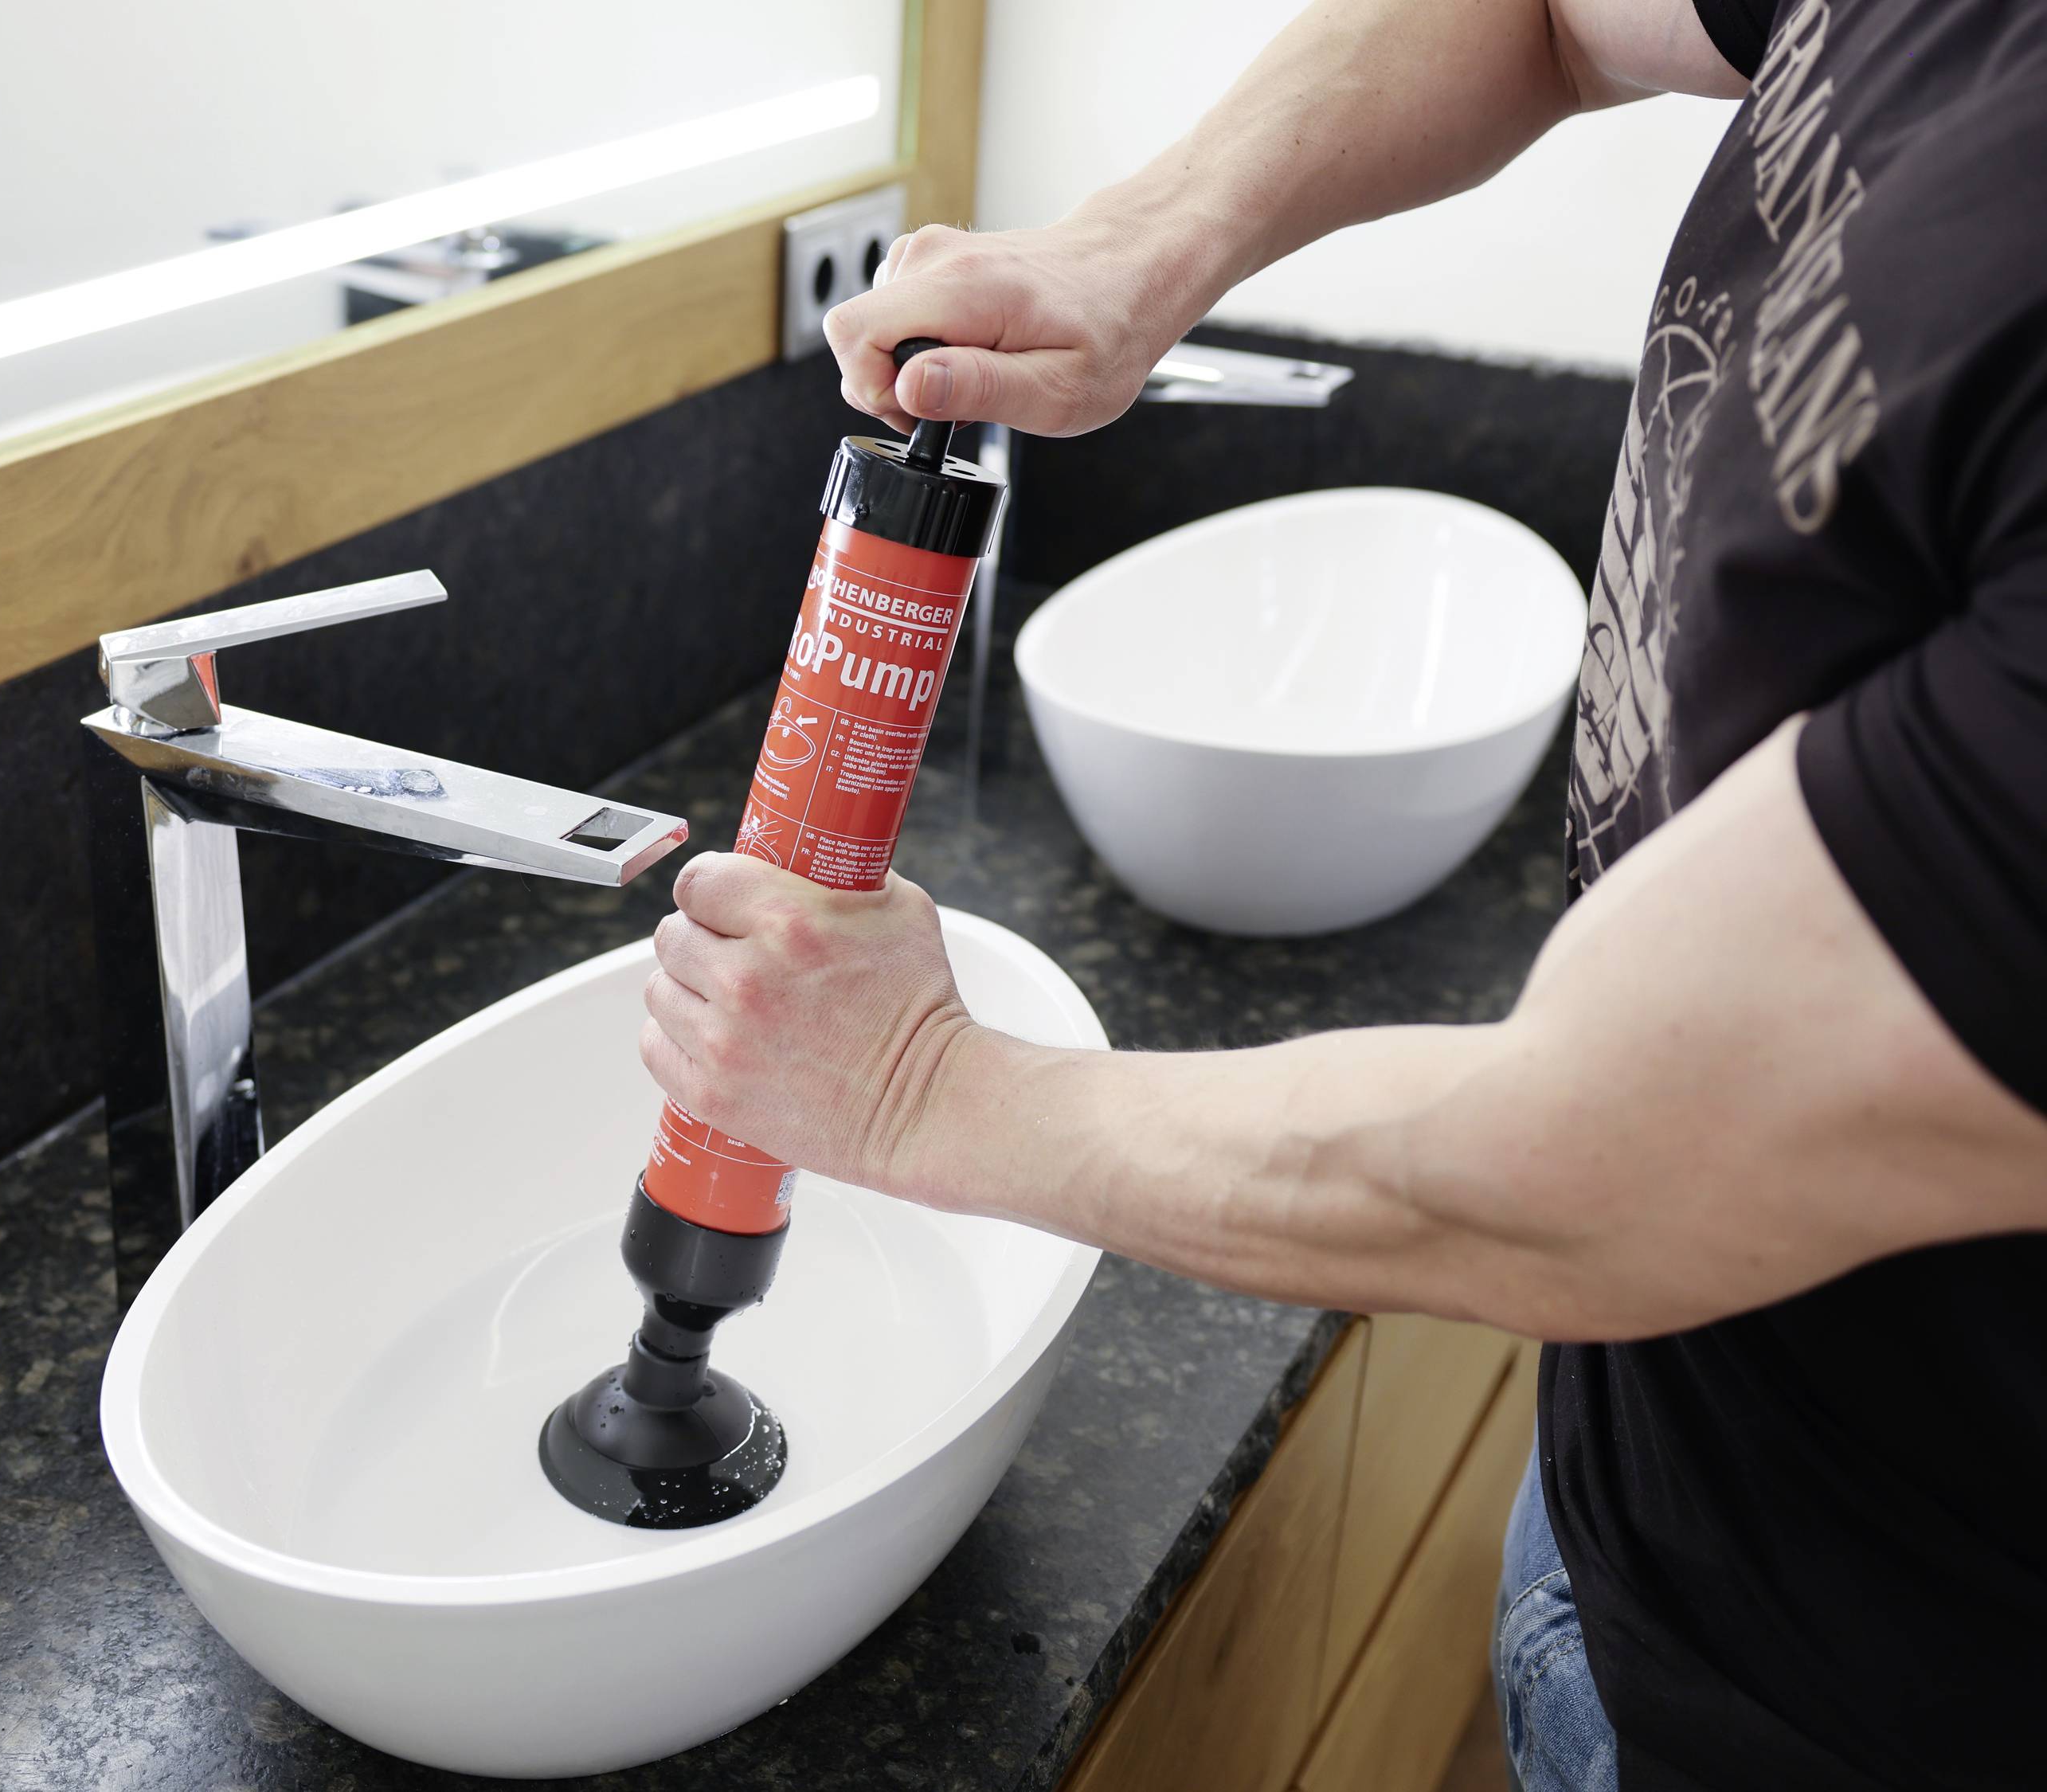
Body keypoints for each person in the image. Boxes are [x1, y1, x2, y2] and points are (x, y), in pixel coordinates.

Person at [637, 1, 2047, 1786]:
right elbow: (1548, 14)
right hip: (1653, 1484)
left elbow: (1592, 1164)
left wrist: (918, 1087)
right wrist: (1138, 251)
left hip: (1859, 1703)